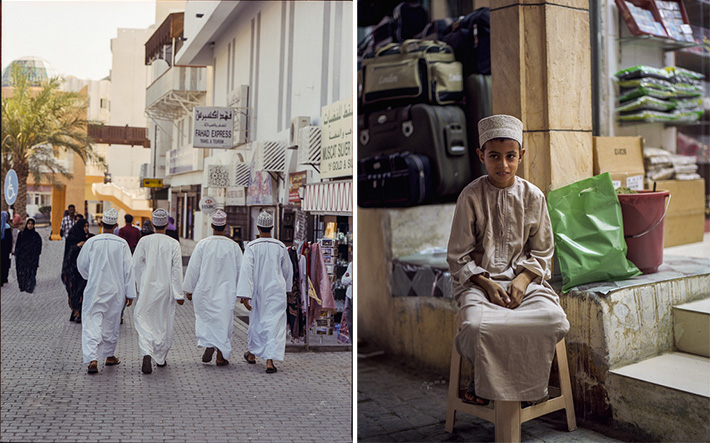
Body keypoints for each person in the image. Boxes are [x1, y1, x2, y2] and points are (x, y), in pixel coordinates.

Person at [446, 115, 569, 406]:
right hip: (478, 285)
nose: (503, 165)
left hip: (525, 286)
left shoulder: (534, 197)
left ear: (521, 156)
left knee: (554, 320)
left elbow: (543, 252)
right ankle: (500, 386)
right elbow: (457, 257)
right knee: (474, 329)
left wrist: (523, 280)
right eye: (494, 157)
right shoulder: (470, 197)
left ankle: (511, 388)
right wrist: (486, 284)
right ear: (481, 156)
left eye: (510, 156)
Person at [77, 208, 136, 374]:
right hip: (115, 291)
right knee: (111, 323)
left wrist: (91, 276)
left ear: (101, 223)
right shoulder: (122, 244)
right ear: (116, 225)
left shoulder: (92, 242)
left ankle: (92, 359)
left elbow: (81, 265)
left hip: (95, 289)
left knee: (91, 322)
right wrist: (129, 293)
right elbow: (128, 270)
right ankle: (109, 356)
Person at [183, 210, 243, 367]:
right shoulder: (234, 247)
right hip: (226, 292)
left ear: (211, 226)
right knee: (224, 323)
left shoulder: (203, 244)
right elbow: (241, 270)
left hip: (205, 290)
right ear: (226, 226)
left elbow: (193, 268)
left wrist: (189, 289)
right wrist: (243, 292)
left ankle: (209, 344)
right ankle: (220, 356)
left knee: (206, 319)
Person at [237, 211, 293, 374]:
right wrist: (288, 291)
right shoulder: (281, 246)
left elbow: (246, 271)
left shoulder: (252, 246)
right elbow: (287, 271)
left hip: (258, 293)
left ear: (258, 227)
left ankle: (254, 355)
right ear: (272, 227)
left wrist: (245, 295)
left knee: (257, 324)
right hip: (276, 293)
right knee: (274, 326)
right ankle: (268, 360)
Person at [132, 208, 184, 374]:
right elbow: (177, 270)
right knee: (163, 323)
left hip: (147, 288)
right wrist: (179, 293)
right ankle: (160, 358)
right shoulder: (173, 243)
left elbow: (136, 265)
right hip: (166, 289)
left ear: (153, 224)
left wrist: (139, 285)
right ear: (167, 224)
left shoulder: (144, 241)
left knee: (144, 319)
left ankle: (147, 351)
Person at [62, 219, 93, 322]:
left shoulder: (91, 238)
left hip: (85, 270)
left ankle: (80, 312)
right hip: (73, 270)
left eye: (87, 226)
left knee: (83, 290)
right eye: (84, 226)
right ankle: (76, 310)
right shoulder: (71, 238)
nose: (86, 228)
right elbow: (67, 255)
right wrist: (77, 246)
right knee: (74, 291)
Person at [15, 217, 42, 293]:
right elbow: (18, 246)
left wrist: (35, 255)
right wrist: (18, 254)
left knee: (31, 272)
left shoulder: (36, 236)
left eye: (31, 224)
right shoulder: (21, 234)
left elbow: (39, 248)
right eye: (29, 224)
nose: (30, 225)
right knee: (22, 272)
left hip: (32, 258)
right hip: (22, 258)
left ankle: (30, 287)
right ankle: (23, 286)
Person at [1, 211, 14, 286]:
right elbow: (10, 240)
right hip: (5, 250)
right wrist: (10, 249)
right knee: (5, 264)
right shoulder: (7, 227)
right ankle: (4, 278)